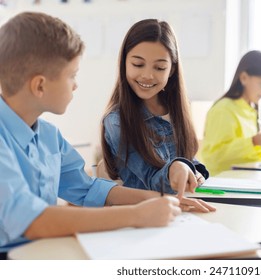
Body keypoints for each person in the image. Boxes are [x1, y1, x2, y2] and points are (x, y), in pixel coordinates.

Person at [0, 12, 209, 259]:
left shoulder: (48, 135)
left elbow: (89, 189)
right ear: (40, 86)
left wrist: (160, 200)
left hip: (40, 253)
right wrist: (137, 215)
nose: (75, 85)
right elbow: (32, 221)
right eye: (72, 75)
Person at [101, 18, 215, 208]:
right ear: (124, 64)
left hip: (181, 210)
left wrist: (194, 171)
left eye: (160, 67)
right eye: (138, 64)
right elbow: (151, 179)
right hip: (142, 217)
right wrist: (177, 169)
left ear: (171, 70)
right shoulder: (116, 121)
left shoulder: (176, 111)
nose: (147, 75)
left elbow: (187, 158)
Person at [200, 50, 261, 176]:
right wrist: (254, 141)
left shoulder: (250, 109)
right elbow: (215, 156)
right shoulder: (224, 109)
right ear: (244, 78)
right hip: (222, 183)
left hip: (245, 178)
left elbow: (249, 155)